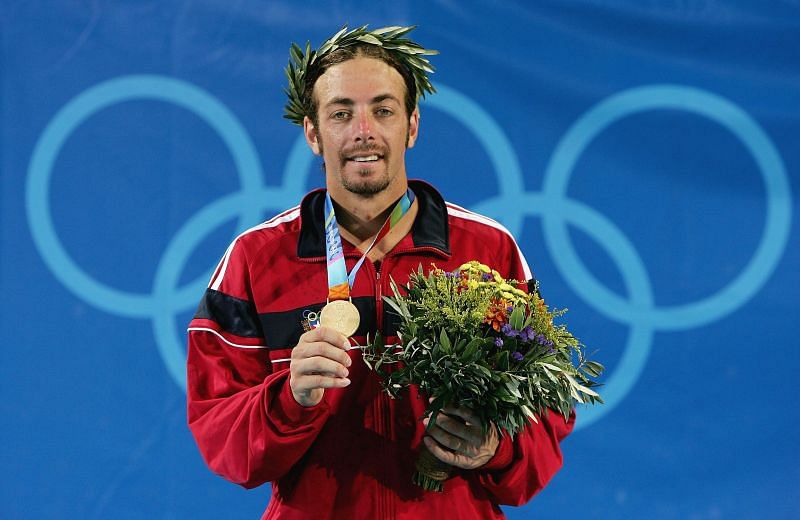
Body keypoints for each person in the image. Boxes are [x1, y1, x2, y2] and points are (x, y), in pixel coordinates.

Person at [187, 25, 574, 519]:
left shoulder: (487, 249)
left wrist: (495, 447)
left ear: (412, 126)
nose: (363, 131)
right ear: (313, 133)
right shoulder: (256, 258)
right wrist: (290, 399)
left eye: (383, 111)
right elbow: (221, 437)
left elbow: (547, 420)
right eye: (341, 113)